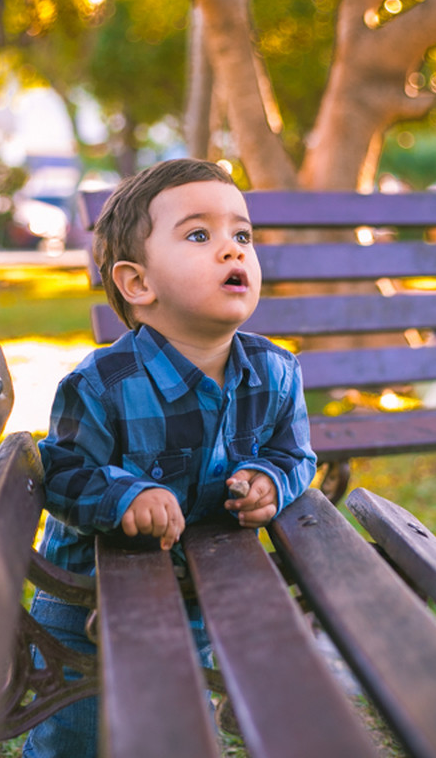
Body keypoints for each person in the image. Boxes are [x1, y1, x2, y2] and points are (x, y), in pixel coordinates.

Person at [23, 158, 317, 758]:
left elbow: (293, 452)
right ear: (137, 283)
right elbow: (63, 473)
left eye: (242, 235)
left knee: (178, 729)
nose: (232, 250)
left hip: (196, 590)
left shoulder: (276, 371)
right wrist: (126, 495)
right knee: (77, 739)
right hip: (89, 605)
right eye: (200, 235)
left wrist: (270, 479)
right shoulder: (102, 383)